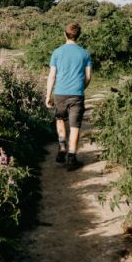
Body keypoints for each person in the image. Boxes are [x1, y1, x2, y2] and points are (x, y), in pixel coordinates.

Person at [45, 22, 92, 170]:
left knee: (60, 120)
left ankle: (62, 147)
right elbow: (88, 76)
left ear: (65, 34)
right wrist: (80, 88)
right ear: (78, 36)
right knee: (75, 126)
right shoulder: (85, 53)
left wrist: (48, 95)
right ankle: (72, 157)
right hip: (77, 94)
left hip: (60, 93)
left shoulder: (57, 52)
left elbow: (52, 76)